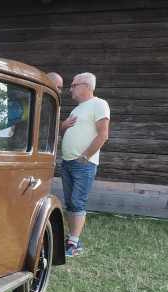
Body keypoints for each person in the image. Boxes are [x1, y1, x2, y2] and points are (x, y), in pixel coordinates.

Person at [59, 72, 110, 256]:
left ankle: (73, 243)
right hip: (67, 162)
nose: (70, 89)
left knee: (78, 202)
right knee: (71, 203)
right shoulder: (76, 109)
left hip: (83, 164)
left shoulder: (99, 104)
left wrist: (85, 156)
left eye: (74, 85)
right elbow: (65, 137)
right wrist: (63, 126)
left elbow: (103, 134)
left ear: (87, 86)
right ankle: (73, 239)